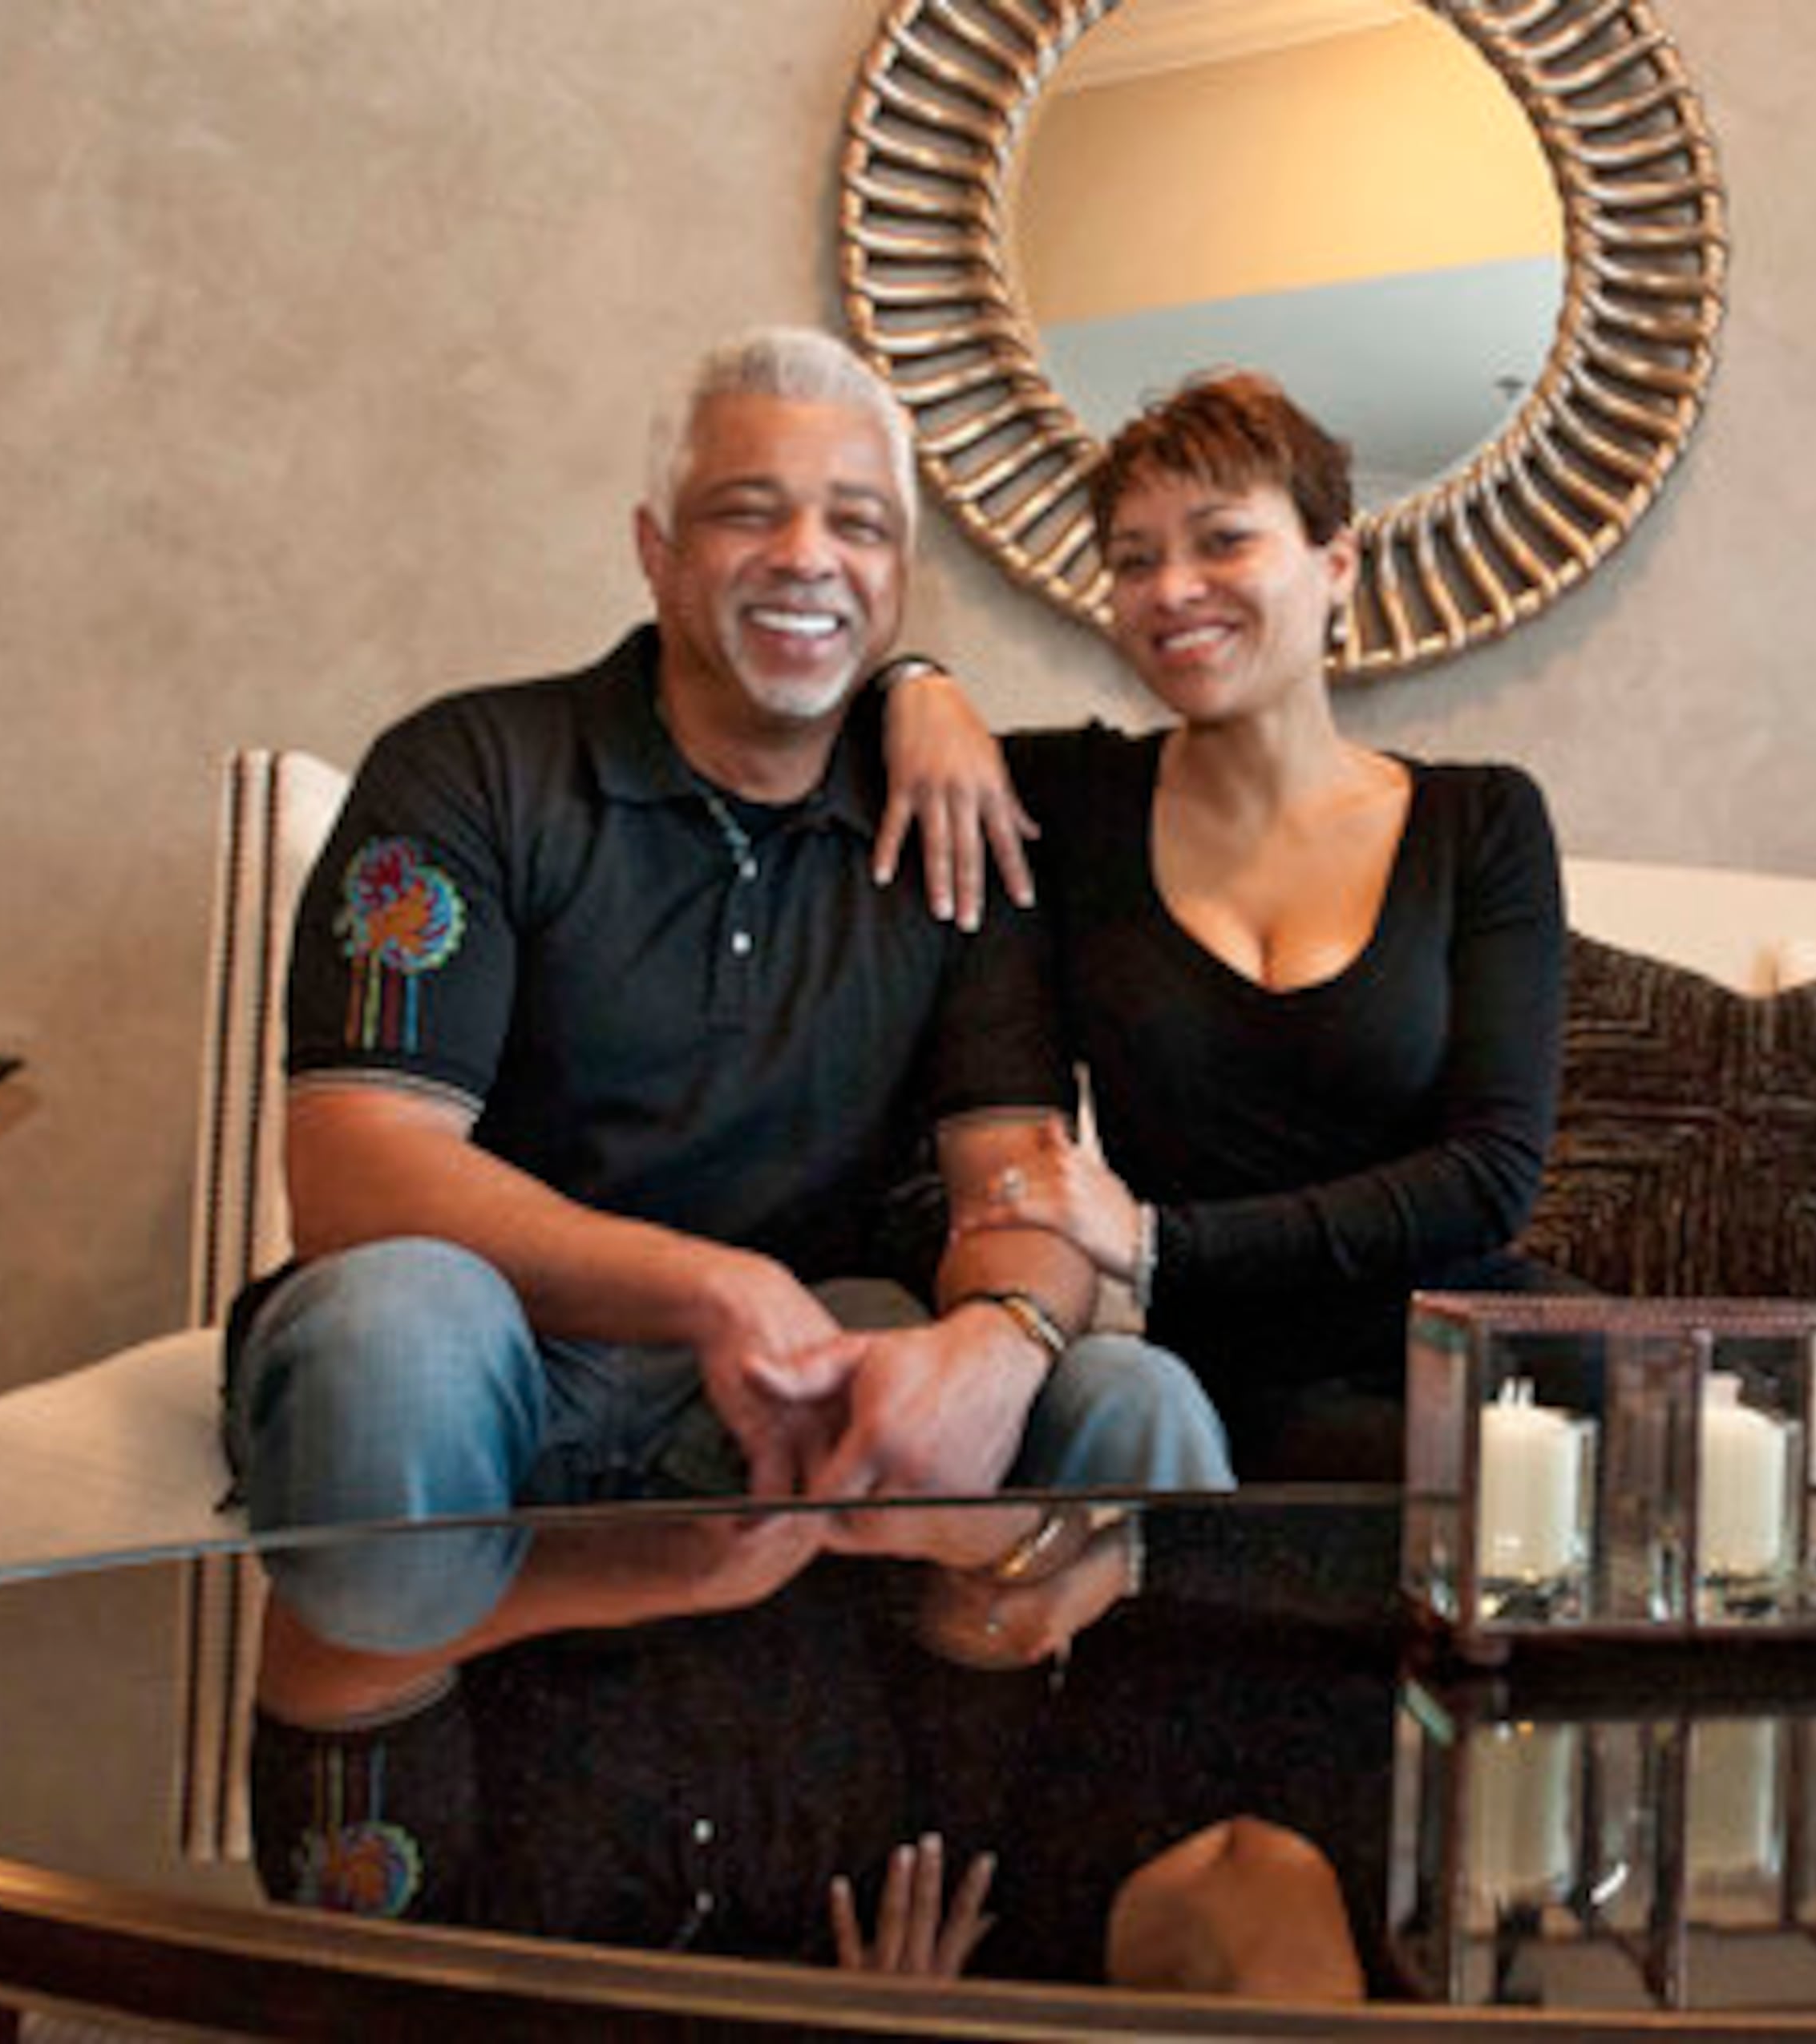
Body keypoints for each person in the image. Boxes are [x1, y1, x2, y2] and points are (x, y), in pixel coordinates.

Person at [221, 325, 1232, 1735]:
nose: (808, 556)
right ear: (656, 550)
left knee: (1131, 1394)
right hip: (503, 1366)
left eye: (857, 524)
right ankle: (396, 1824)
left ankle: (1018, 1825)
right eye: (750, 511)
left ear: (898, 578)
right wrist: (711, 1287)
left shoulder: (955, 825)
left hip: (810, 1382)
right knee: (398, 1323)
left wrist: (998, 1335)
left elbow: (1016, 1179)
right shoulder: (472, 770)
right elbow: (352, 1170)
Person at [962, 372, 1568, 1480]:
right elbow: (845, 740)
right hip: (1229, 1387)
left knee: (1683, 1436)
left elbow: (1491, 1176)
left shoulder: (1481, 819)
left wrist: (1157, 1243)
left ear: (1336, 564)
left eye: (1223, 540)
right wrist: (916, 686)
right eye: (1134, 559)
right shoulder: (1065, 801)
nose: (1172, 588)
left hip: (1474, 1355)